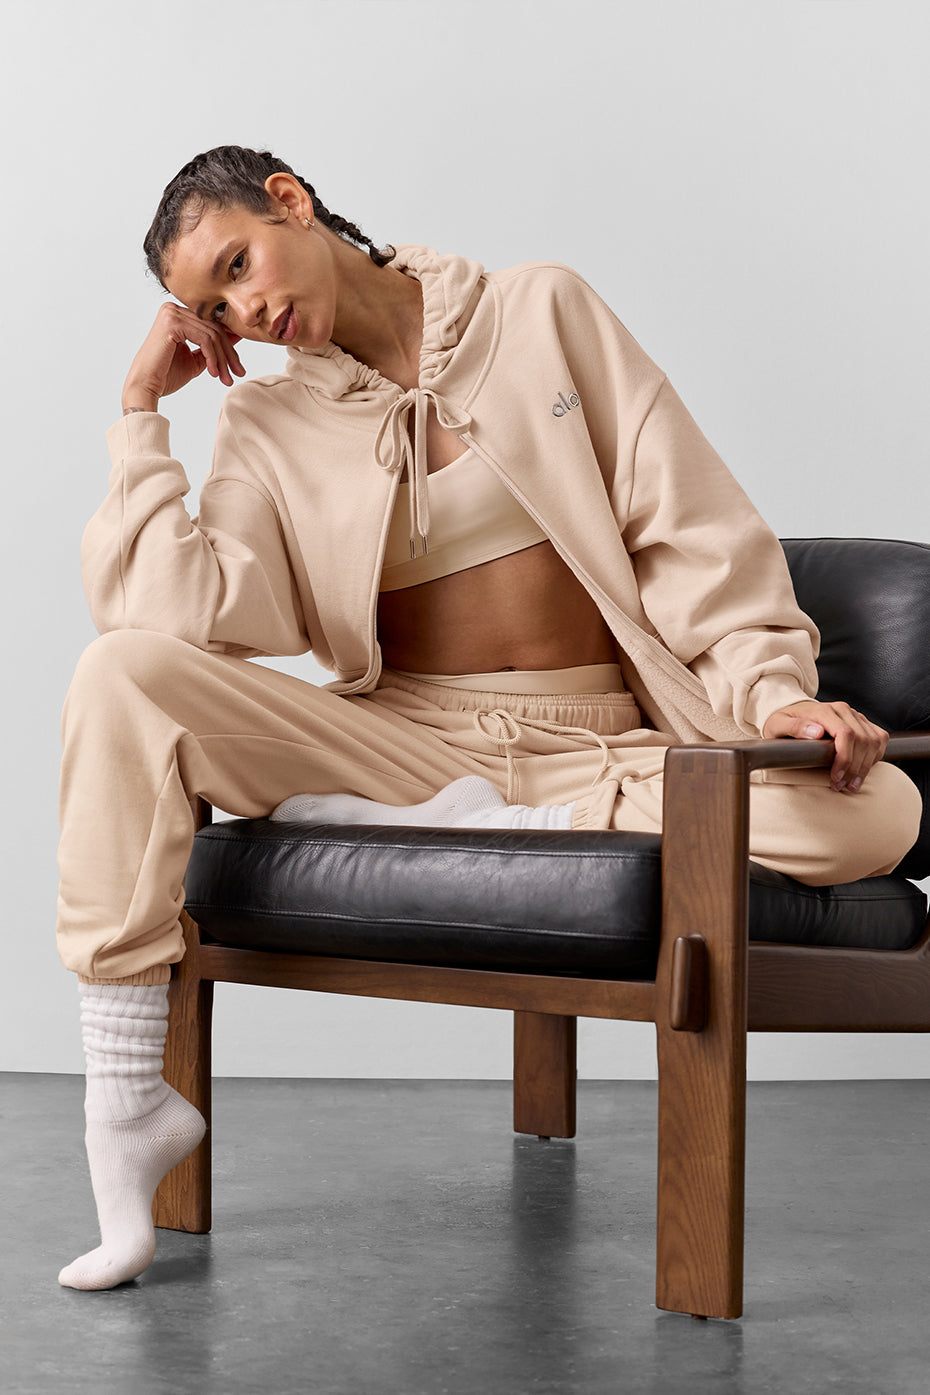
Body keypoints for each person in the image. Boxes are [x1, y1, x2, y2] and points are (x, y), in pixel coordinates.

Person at [56, 146, 921, 1291]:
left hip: (597, 750)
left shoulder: (541, 312)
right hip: (409, 742)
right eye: (214, 309)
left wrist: (776, 695)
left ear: (290, 203)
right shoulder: (266, 420)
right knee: (120, 675)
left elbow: (693, 533)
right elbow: (174, 620)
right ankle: (126, 1101)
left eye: (238, 266)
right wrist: (138, 418)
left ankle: (479, 827)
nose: (245, 313)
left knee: (878, 813)